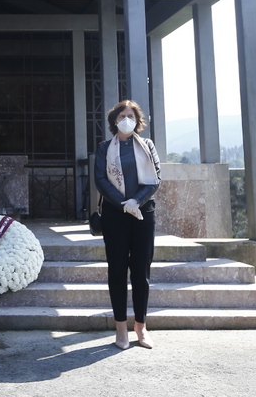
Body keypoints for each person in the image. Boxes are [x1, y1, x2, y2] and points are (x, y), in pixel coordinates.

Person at [94, 100, 161, 350]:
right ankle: (121, 328)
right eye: (122, 115)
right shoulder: (104, 148)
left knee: (141, 271)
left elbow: (156, 178)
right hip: (115, 215)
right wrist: (123, 203)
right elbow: (100, 179)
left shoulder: (147, 146)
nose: (126, 119)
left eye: (130, 115)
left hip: (144, 214)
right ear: (114, 120)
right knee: (117, 270)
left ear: (137, 120)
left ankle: (141, 327)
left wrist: (137, 201)